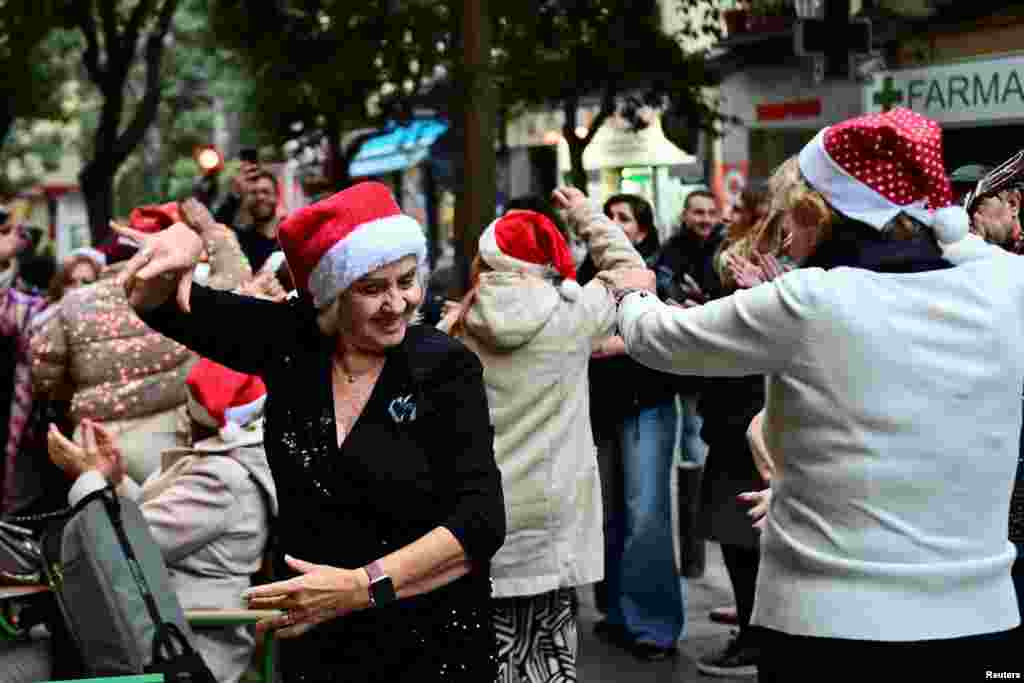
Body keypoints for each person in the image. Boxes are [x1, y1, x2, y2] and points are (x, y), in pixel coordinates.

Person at [601, 108, 1019, 678]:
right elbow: (968, 250)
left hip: (828, 623)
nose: (785, 241)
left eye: (790, 222)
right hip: (980, 622)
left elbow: (659, 338)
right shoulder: (1006, 285)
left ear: (817, 214)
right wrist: (944, 222)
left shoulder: (812, 300)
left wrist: (632, 291)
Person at [115, 181, 506, 683]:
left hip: (431, 641)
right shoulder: (292, 341)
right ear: (332, 295)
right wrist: (188, 245)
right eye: (371, 288)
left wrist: (363, 586)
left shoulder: (445, 367)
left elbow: (481, 519)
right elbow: (162, 305)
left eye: (407, 281)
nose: (397, 303)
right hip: (320, 647)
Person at [440, 188, 646, 681]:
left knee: (488, 650)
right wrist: (584, 215)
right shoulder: (572, 315)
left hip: (480, 514)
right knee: (548, 653)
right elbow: (634, 272)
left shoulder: (458, 324)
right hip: (554, 515)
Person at [47, 357, 278, 683]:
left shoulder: (224, 478)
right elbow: (146, 522)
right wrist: (114, 480)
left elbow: (125, 546)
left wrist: (88, 477)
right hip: (159, 626)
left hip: (182, 645)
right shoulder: (221, 464)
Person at [30, 199, 252, 484]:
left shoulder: (75, 302)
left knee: (102, 520)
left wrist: (75, 394)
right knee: (155, 524)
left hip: (92, 444)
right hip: (166, 440)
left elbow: (43, 373)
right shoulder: (183, 295)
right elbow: (238, 284)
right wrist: (211, 230)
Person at [578, 194, 685, 661]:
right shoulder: (587, 277)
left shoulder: (657, 273)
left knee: (646, 515)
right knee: (608, 516)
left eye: (624, 219)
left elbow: (670, 329)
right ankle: (619, 613)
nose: (614, 225)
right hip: (599, 408)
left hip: (647, 405)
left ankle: (654, 626)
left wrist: (613, 345)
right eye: (610, 217)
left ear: (641, 231)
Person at [232, 170, 282, 272]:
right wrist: (233, 196)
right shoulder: (239, 241)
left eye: (265, 192)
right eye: (254, 193)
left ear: (276, 196)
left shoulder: (290, 240)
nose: (260, 197)